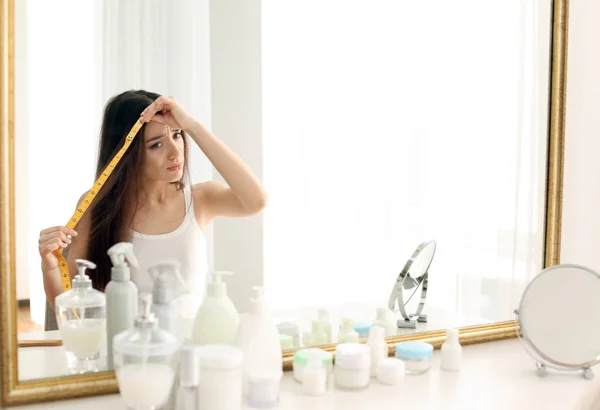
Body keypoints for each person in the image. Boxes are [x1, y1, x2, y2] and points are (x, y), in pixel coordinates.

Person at [38, 90, 267, 314]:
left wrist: (193, 126)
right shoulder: (96, 206)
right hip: (127, 347)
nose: (175, 152)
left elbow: (256, 201)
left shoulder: (201, 199)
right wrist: (49, 267)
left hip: (191, 347)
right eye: (156, 145)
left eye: (177, 135)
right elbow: (70, 308)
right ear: (125, 152)